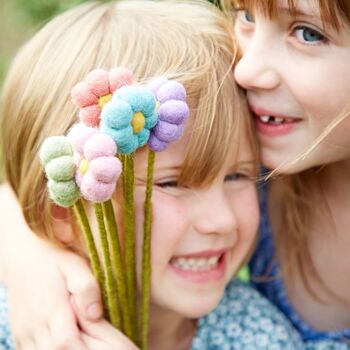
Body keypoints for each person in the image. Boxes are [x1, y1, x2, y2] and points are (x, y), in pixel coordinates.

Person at [0, 1, 303, 349]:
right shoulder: (16, 327)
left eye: (237, 176)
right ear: (62, 211)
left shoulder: (258, 338)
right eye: (171, 183)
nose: (220, 220)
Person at [220, 0, 350, 348]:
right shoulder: (244, 170)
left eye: (308, 34)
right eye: (245, 16)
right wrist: (57, 262)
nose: (246, 70)